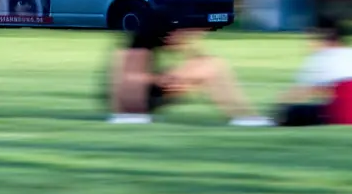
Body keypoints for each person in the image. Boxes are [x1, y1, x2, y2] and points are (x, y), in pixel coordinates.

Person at [107, 23, 273, 126]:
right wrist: (161, 79)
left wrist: (177, 77)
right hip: (131, 96)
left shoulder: (173, 32)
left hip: (151, 90)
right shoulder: (142, 34)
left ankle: (244, 117)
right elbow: (124, 74)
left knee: (211, 64)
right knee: (134, 60)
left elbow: (196, 57)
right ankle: (129, 115)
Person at [274, 15, 352, 126]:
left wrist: (279, 108)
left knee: (292, 111)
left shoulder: (323, 57)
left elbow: (299, 94)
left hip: (343, 118)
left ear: (323, 37)